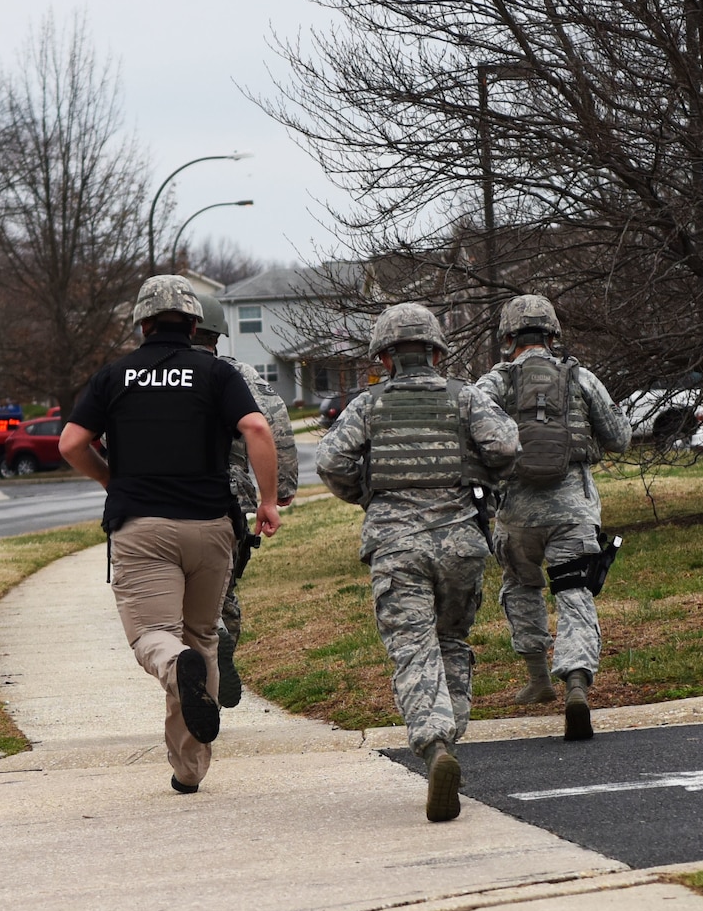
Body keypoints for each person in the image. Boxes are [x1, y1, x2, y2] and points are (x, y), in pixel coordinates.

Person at [58, 275, 282, 795]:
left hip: (144, 528)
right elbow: (258, 430)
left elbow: (71, 443)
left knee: (152, 638)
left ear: (142, 322)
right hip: (211, 528)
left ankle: (171, 664)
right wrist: (268, 501)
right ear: (195, 324)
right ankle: (189, 769)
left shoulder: (114, 377)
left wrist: (110, 478)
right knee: (201, 638)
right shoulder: (216, 373)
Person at [314, 302, 517, 822]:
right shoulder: (466, 397)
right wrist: (481, 479)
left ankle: (435, 746)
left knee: (413, 649)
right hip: (461, 544)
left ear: (385, 356)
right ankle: (452, 737)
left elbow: (331, 460)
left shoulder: (368, 405)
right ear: (435, 351)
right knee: (450, 641)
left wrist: (367, 496)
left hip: (397, 547)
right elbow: (506, 444)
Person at [474, 295, 630, 740]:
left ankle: (538, 679)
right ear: (553, 334)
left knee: (520, 585)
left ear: (508, 338)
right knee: (574, 590)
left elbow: (475, 440)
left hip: (516, 512)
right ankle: (576, 682)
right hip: (573, 509)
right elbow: (619, 437)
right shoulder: (579, 377)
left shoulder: (493, 384)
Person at [189, 298, 299, 706]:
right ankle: (218, 645)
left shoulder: (149, 372)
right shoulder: (241, 374)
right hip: (229, 496)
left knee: (175, 596)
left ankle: (201, 682)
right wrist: (280, 489)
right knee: (223, 584)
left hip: (161, 498)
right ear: (217, 335)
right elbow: (275, 425)